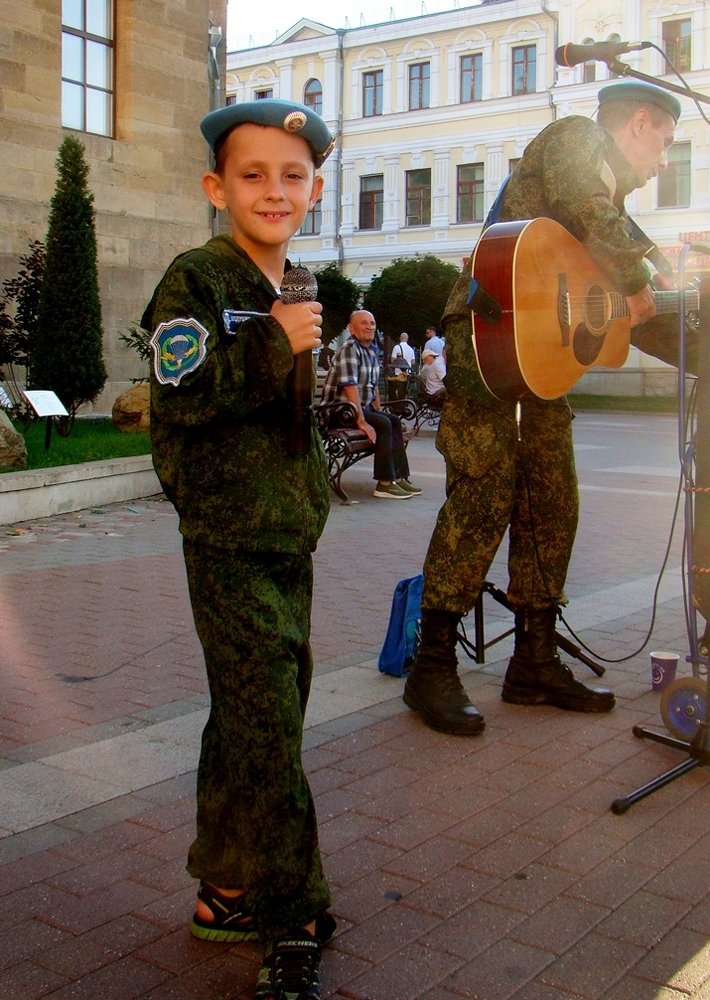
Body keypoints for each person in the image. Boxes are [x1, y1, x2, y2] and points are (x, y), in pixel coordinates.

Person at [403, 80, 697, 737]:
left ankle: (533, 660)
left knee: (552, 496)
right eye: (665, 145)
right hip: (488, 328)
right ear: (641, 123)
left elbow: (627, 294)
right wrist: (645, 277)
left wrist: (690, 339)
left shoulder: (611, 202)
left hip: (540, 352)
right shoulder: (577, 140)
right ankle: (432, 662)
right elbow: (588, 209)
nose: (661, 162)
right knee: (484, 492)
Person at [142, 98, 337, 999]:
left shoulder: (293, 289)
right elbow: (176, 397)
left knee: (257, 713)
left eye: (292, 175)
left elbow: (286, 419)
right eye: (252, 174)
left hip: (285, 534)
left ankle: (223, 890)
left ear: (316, 190)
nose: (274, 190)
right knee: (266, 728)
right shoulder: (197, 280)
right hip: (224, 537)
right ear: (216, 187)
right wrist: (271, 346)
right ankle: (291, 917)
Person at [322, 309, 422, 499]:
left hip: (356, 408)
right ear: (351, 328)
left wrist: (378, 411)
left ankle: (399, 478)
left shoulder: (370, 351)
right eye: (364, 323)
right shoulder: (350, 349)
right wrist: (363, 422)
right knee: (384, 424)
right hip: (339, 411)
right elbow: (350, 388)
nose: (370, 327)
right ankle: (384, 483)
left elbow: (373, 386)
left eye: (372, 323)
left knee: (392, 420)